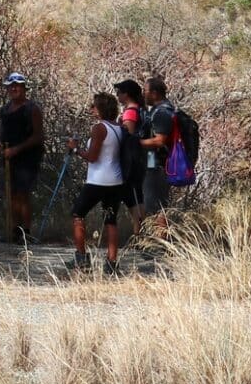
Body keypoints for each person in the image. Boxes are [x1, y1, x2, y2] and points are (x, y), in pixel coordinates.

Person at [64, 91, 132, 276]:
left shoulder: (99, 128)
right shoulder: (118, 127)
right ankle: (111, 262)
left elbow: (92, 157)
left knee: (78, 214)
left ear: (101, 108)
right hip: (116, 180)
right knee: (110, 220)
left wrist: (76, 149)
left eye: (94, 106)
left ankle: (82, 258)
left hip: (98, 180)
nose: (91, 109)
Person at [0, 73, 44, 242]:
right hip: (9, 157)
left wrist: (17, 149)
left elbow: (38, 136)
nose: (14, 88)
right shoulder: (6, 109)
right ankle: (14, 230)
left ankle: (26, 232)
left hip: (27, 159)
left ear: (24, 88)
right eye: (11, 86)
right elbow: (1, 130)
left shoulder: (32, 109)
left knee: (22, 195)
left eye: (17, 85)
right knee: (10, 194)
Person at [136, 74, 178, 243]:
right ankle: (158, 242)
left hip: (158, 165)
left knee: (156, 206)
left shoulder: (161, 113)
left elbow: (159, 140)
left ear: (154, 93)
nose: (143, 94)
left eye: (145, 91)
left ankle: (159, 244)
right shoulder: (163, 110)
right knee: (156, 205)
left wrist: (137, 143)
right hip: (158, 164)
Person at [113, 79, 146, 237]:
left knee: (132, 196)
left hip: (131, 159)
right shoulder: (139, 109)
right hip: (138, 158)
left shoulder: (131, 111)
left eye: (119, 92)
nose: (117, 95)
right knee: (137, 195)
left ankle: (138, 232)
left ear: (126, 94)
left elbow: (128, 134)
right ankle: (140, 231)